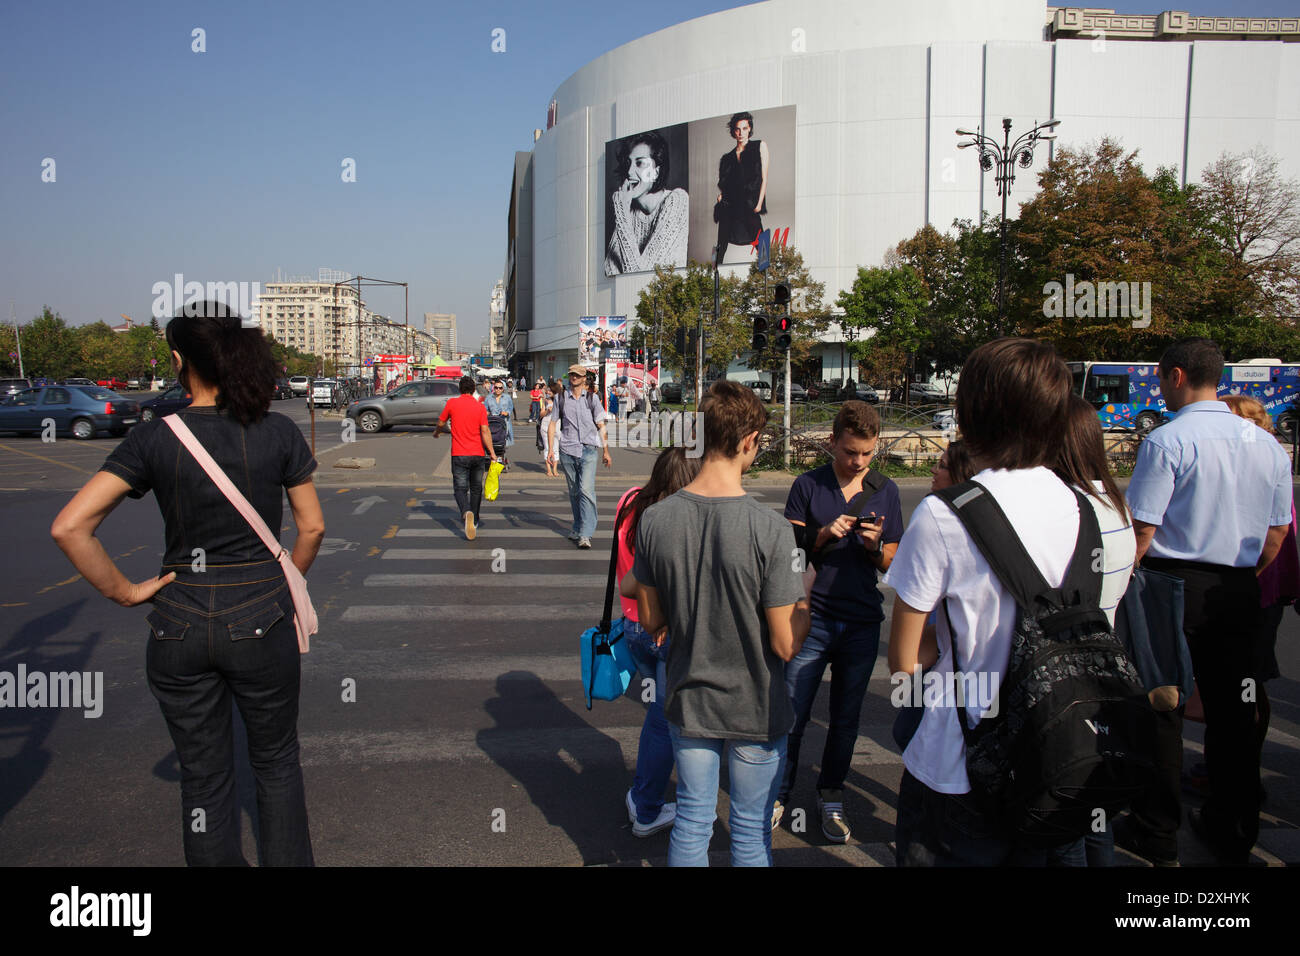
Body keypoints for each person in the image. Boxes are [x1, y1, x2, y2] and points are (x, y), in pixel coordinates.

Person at [50, 302, 322, 866]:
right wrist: (286, 577)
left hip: (177, 620)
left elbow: (71, 527)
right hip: (262, 616)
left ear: (178, 361)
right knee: (275, 763)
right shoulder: (277, 430)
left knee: (203, 781)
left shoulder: (154, 438)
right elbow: (313, 526)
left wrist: (125, 591)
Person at [886, 337, 1125, 866]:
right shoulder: (1083, 505)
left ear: (971, 409)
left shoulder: (944, 513)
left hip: (959, 763)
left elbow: (904, 660)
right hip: (1057, 751)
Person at [1119, 339, 1291, 867]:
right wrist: (1246, 576)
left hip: (1172, 584)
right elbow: (1278, 531)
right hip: (1238, 588)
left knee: (1163, 706)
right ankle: (1234, 826)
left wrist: (1126, 585)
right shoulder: (1266, 444)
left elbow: (1144, 527)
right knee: (1235, 713)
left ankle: (1158, 830)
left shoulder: (1168, 441)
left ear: (1174, 376)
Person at [632, 381, 811, 866]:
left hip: (689, 697)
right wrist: (805, 597)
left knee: (692, 821)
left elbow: (651, 620)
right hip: (756, 703)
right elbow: (786, 643)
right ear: (750, 439)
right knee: (750, 834)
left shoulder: (656, 520)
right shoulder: (771, 528)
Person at [776, 400, 903, 842]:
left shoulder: (886, 490)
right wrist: (823, 535)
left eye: (867, 454)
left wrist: (874, 546)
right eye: (851, 452)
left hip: (862, 623)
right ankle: (779, 792)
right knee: (792, 713)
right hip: (812, 618)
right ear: (832, 443)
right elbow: (788, 555)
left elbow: (894, 561)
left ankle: (831, 793)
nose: (859, 462)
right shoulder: (807, 485)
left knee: (846, 720)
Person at [1050, 393, 1138, 867]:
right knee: (1093, 812)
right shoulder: (1113, 502)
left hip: (1063, 682)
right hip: (1108, 674)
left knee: (1061, 824)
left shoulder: (1068, 512)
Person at [614, 447, 703, 837]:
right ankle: (649, 807)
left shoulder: (629, 499)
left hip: (631, 626)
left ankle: (648, 800)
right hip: (662, 627)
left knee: (658, 712)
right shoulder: (675, 520)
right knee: (668, 721)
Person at [604, 129, 689, 276]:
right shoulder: (628, 212)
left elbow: (640, 278)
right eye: (628, 163)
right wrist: (623, 212)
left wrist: (621, 211)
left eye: (640, 163)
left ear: (656, 171)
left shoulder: (677, 200)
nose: (630, 172)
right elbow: (609, 271)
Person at [548, 364, 613, 548]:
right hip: (567, 450)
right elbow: (553, 423)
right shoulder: (561, 398)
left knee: (586, 490)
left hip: (589, 450)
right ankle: (577, 527)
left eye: (577, 375)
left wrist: (606, 451)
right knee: (575, 492)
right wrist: (551, 450)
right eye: (572, 375)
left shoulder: (592, 399)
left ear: (584, 378)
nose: (574, 377)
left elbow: (601, 426)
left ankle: (586, 533)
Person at [434, 375, 499, 540]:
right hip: (478, 454)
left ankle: (465, 511)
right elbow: (485, 431)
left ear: (460, 389)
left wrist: (437, 433)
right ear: (473, 390)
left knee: (460, 489)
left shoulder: (452, 403)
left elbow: (441, 423)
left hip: (459, 454)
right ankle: (475, 521)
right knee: (476, 488)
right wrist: (492, 453)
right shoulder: (480, 407)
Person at [714, 111, 770, 262]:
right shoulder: (727, 158)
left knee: (762, 245)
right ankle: (713, 276)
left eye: (744, 128)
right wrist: (721, 196)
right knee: (721, 245)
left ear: (750, 129)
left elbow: (764, 178)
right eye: (738, 129)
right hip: (730, 204)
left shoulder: (760, 146)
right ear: (733, 131)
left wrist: (759, 204)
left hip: (750, 203)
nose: (741, 133)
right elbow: (726, 184)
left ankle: (769, 277)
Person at [484, 379, 514, 472]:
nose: (498, 389)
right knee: (491, 442)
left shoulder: (507, 397)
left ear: (503, 389)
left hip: (504, 422)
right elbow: (485, 409)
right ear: (493, 388)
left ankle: (501, 459)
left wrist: (507, 412)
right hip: (492, 423)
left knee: (502, 443)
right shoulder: (488, 398)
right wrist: (486, 413)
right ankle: (493, 459)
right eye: (496, 387)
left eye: (500, 388)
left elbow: (510, 408)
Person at [539, 380, 561, 479]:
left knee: (556, 447)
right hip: (545, 425)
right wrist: (548, 410)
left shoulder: (561, 400)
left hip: (557, 425)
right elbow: (541, 414)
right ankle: (548, 469)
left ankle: (555, 469)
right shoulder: (546, 401)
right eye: (547, 391)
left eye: (550, 391)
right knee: (547, 447)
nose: (548, 392)